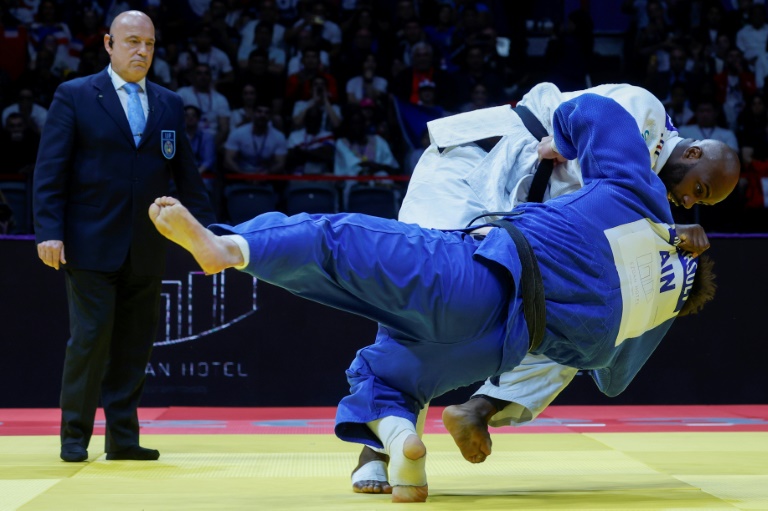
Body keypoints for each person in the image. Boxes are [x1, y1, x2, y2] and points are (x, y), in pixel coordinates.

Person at [148, 93, 738, 503]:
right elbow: (612, 377)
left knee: (339, 242)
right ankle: (401, 447)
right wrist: (665, 252)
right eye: (699, 192)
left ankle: (230, 247)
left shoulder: (638, 195)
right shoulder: (640, 326)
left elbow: (591, 113)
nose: (689, 205)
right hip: (495, 331)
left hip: (481, 269)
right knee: (402, 366)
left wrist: (650, 217)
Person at [352, 81, 743, 494]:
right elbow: (581, 126)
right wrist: (666, 229)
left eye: (698, 203)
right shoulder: (645, 113)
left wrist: (668, 240)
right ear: (694, 153)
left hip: (513, 216)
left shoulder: (650, 201)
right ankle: (376, 447)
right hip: (475, 165)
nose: (686, 200)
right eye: (697, 189)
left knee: (581, 324)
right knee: (422, 291)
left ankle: (480, 409)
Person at [32, 10, 216, 464]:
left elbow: (186, 176)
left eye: (149, 44)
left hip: (147, 244)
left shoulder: (169, 102)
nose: (142, 51)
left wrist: (207, 235)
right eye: (132, 41)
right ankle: (74, 436)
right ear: (108, 44)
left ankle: (123, 438)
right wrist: (49, 231)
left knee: (136, 342)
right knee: (91, 339)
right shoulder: (75, 94)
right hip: (89, 241)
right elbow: (50, 169)